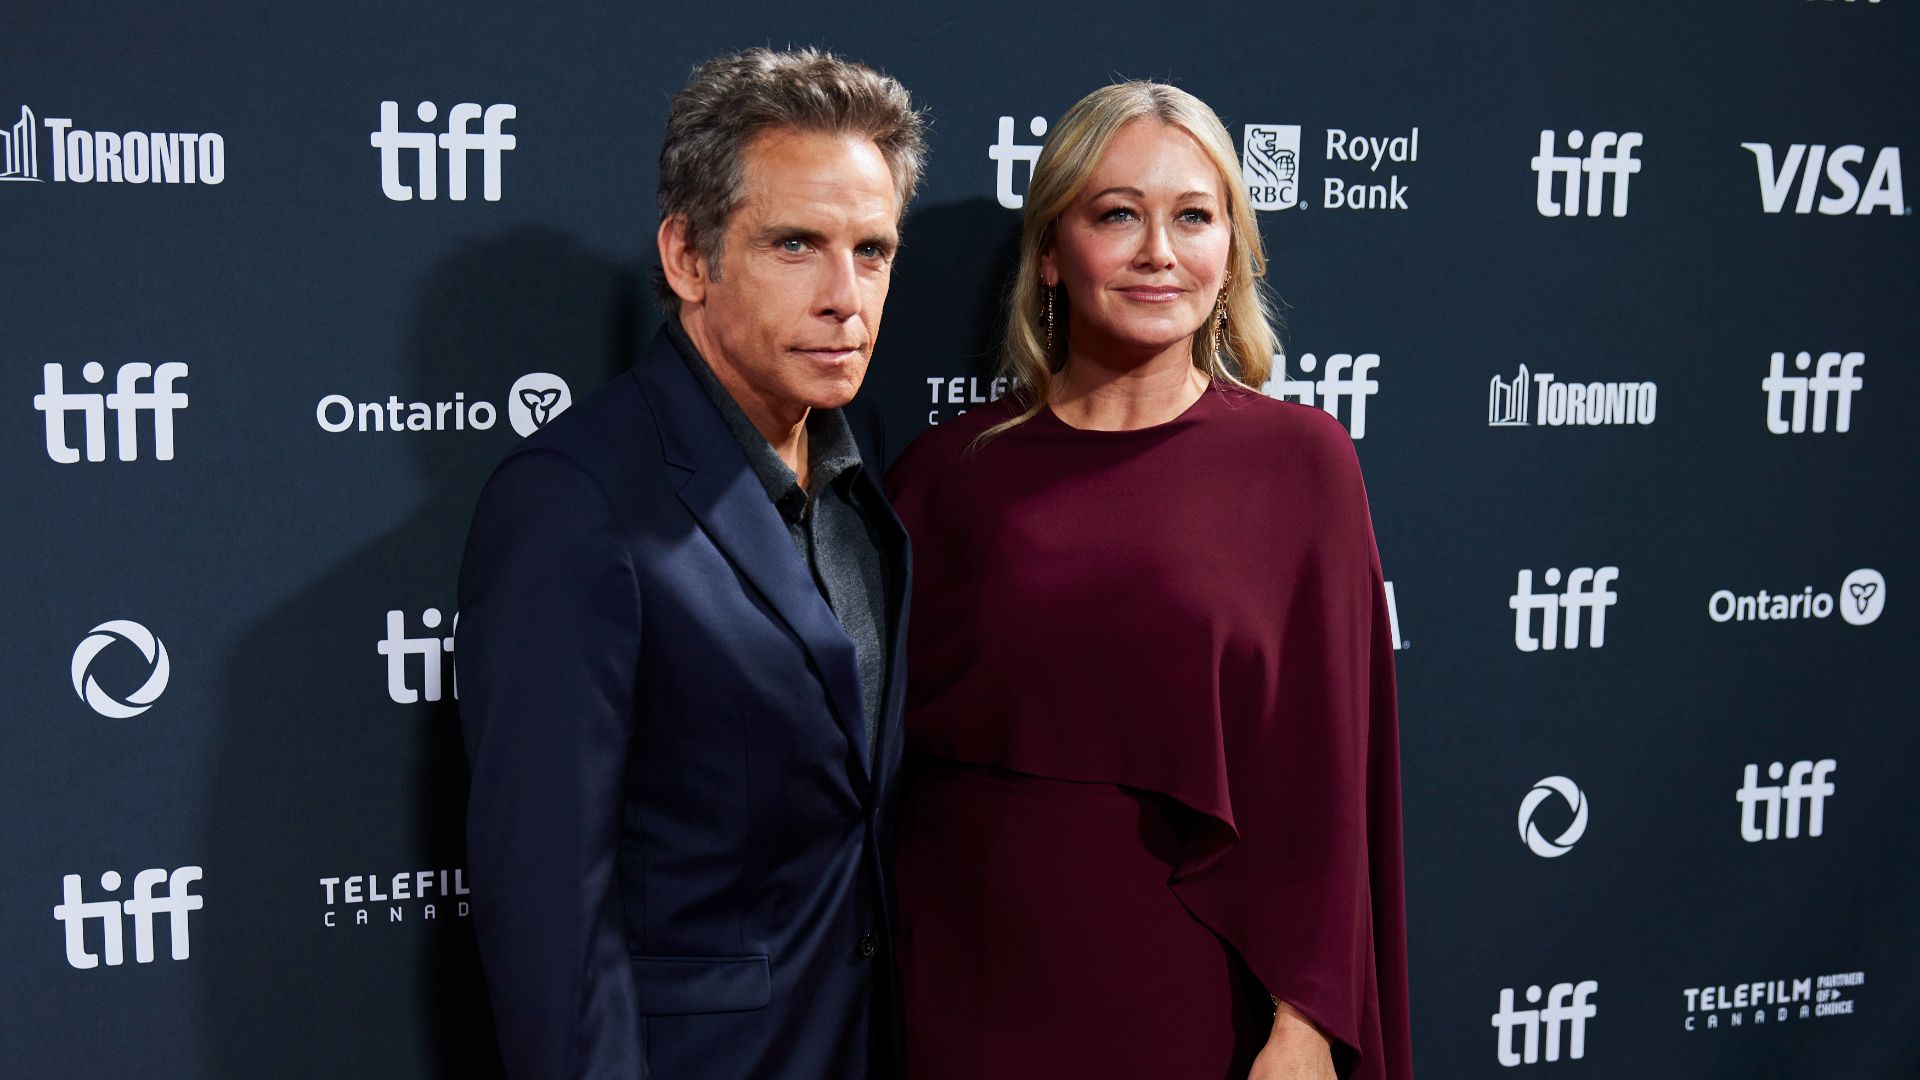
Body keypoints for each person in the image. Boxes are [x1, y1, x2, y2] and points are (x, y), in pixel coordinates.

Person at [886, 82, 1411, 1080]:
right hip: (963, 983)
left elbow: (1327, 777)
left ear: (1232, 255)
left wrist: (1303, 1026)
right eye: (1117, 214)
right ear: (1051, 251)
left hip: (1191, 984)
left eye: (1193, 217)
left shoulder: (1302, 464)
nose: (1158, 251)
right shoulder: (945, 474)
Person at [457, 48, 924, 1080]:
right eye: (796, 244)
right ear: (687, 255)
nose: (847, 297)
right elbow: (550, 923)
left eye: (873, 250)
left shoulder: (861, 465)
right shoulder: (572, 504)